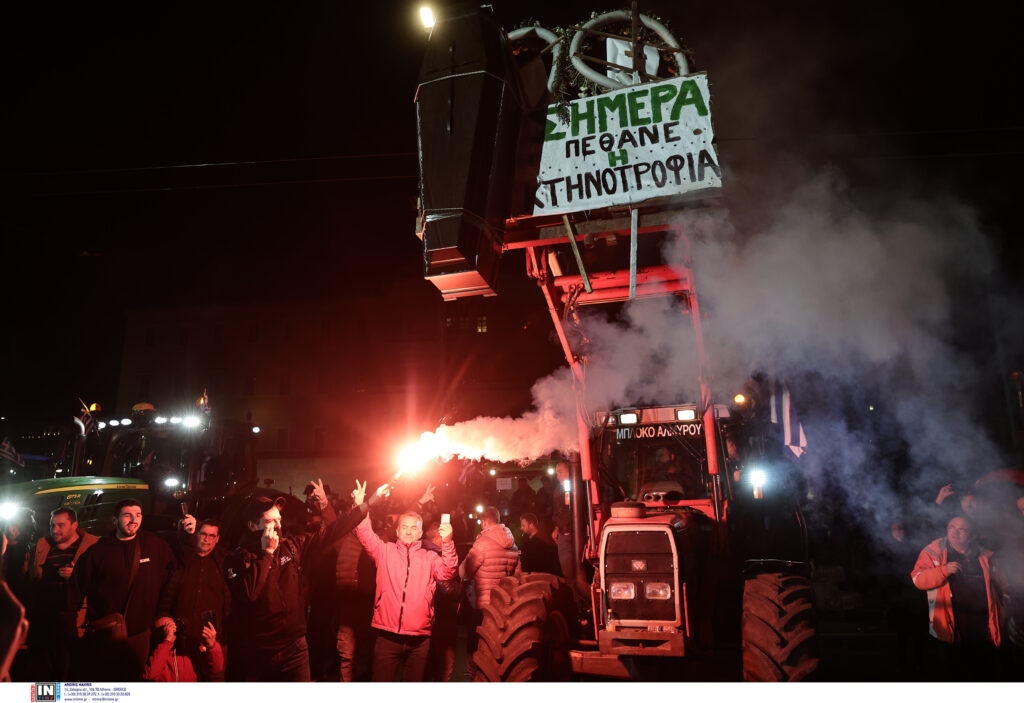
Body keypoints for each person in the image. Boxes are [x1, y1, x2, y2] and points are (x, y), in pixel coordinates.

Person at [223, 478, 378, 682]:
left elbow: (330, 532)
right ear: (252, 525)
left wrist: (365, 506)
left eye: (279, 519)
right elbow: (251, 592)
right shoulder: (237, 559)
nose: (278, 526)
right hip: (258, 652)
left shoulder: (292, 546)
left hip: (295, 648)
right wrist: (266, 554)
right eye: (270, 521)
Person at [354, 487, 457, 682]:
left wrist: (448, 542)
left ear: (420, 533)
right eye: (404, 527)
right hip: (387, 636)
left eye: (413, 528)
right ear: (398, 531)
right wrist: (361, 505)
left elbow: (448, 572)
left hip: (419, 639)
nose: (409, 531)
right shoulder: (385, 552)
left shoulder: (429, 558)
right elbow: (364, 533)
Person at [68, 499, 177, 680]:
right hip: (105, 635)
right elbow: (73, 593)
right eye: (127, 515)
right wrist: (72, 633)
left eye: (138, 515)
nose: (133, 520)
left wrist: (163, 611)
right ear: (114, 520)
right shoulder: (97, 552)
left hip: (140, 636)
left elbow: (178, 567)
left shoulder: (153, 544)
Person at [911, 515, 1009, 680]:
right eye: (952, 528)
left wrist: (1003, 612)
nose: (955, 533)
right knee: (953, 674)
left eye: (962, 530)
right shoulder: (934, 551)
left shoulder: (987, 557)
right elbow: (918, 579)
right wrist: (943, 571)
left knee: (983, 674)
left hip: (983, 628)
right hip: (950, 629)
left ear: (972, 535)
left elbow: (1003, 587)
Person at [26, 508, 98, 680]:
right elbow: (30, 580)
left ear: (75, 525)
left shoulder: (92, 547)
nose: (55, 529)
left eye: (61, 525)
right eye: (52, 525)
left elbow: (104, 581)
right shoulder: (42, 546)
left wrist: (77, 576)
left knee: (69, 669)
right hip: (44, 619)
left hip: (73, 621)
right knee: (43, 670)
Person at [460, 506, 520, 680]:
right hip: (503, 606)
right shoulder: (512, 543)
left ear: (484, 521)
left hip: (481, 606)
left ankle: (475, 678)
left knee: (475, 647)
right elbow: (517, 575)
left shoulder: (482, 543)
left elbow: (465, 572)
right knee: (497, 648)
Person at [164, 516, 230, 659]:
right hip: (181, 638)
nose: (207, 539)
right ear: (197, 534)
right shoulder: (182, 560)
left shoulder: (222, 565)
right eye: (204, 534)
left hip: (210, 640)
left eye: (212, 536)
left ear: (217, 539)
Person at [143, 618, 223, 682]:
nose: (170, 630)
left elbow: (215, 669)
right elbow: (150, 676)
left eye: (172, 626)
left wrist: (212, 646)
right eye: (166, 629)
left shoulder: (190, 648)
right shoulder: (156, 653)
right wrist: (167, 642)